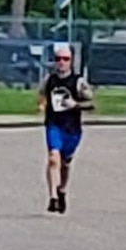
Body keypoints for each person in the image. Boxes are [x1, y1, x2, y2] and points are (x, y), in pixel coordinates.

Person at [36, 41, 91, 213]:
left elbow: (91, 103)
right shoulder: (49, 80)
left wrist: (75, 104)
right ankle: (52, 197)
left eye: (65, 59)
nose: (61, 62)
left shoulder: (78, 82)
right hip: (54, 124)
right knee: (53, 158)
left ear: (71, 61)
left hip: (72, 128)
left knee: (65, 163)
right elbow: (41, 94)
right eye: (58, 59)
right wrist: (42, 105)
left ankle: (62, 191)